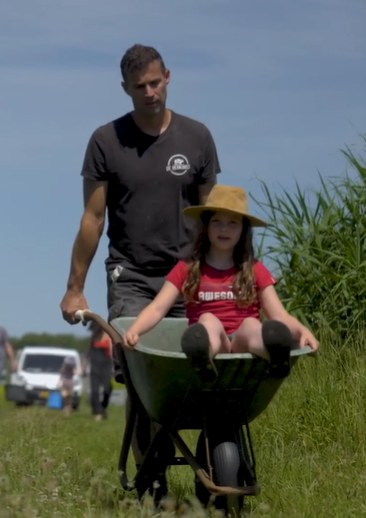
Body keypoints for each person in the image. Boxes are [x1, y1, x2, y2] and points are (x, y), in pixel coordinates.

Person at [59, 43, 220, 504]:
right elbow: (93, 219)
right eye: (139, 87)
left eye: (154, 82)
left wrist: (225, 277)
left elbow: (215, 217)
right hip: (130, 277)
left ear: (167, 77)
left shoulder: (197, 138)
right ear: (125, 89)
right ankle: (154, 484)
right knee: (141, 372)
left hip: (189, 277)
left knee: (207, 365)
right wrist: (74, 289)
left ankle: (213, 467)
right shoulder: (106, 141)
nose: (149, 93)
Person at [123, 185, 320, 379]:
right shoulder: (188, 268)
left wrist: (301, 331)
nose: (224, 229)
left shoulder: (254, 269)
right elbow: (157, 308)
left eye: (233, 223)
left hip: (243, 346)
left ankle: (275, 353)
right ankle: (203, 355)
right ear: (206, 226)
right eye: (217, 221)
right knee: (208, 320)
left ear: (243, 229)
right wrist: (134, 330)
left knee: (251, 325)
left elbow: (279, 315)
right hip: (217, 345)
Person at [83, 320, 113, 421]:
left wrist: (115, 367)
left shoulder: (108, 338)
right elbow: (87, 354)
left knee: (107, 388)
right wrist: (83, 367)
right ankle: (97, 412)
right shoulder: (92, 339)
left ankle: (103, 407)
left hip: (106, 366)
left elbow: (112, 353)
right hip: (94, 367)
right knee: (94, 391)